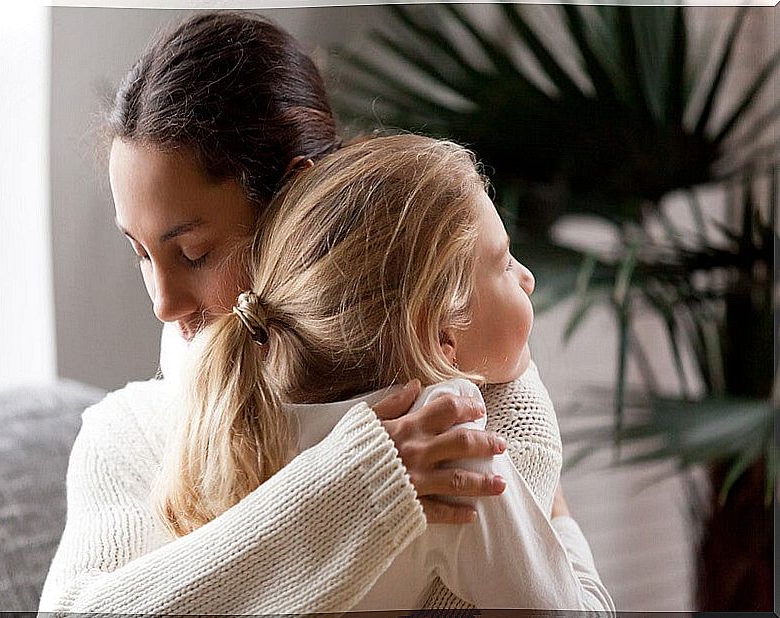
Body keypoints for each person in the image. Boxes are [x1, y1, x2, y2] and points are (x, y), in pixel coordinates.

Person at [38, 11, 606, 615]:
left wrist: (526, 431)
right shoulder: (127, 435)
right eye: (141, 254)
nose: (162, 304)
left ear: (295, 196)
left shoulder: (461, 394)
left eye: (195, 253)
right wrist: (356, 489)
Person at [155, 133, 613, 611]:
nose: (528, 278)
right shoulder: (449, 444)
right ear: (440, 334)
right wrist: (560, 518)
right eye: (503, 263)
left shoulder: (244, 415)